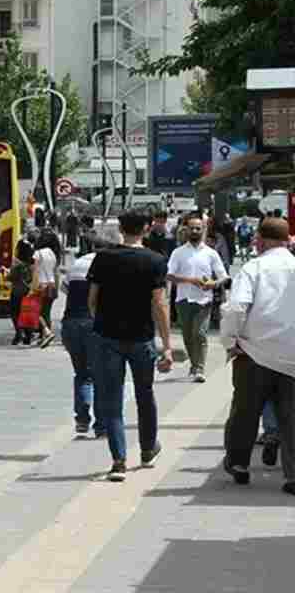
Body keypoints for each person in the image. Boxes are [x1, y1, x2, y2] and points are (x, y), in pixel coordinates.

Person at [87, 208, 173, 482]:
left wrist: (100, 322)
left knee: (111, 400)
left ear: (120, 229)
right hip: (142, 337)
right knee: (144, 394)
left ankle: (118, 461)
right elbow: (159, 303)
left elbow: (92, 299)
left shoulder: (103, 258)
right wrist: (167, 344)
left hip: (107, 337)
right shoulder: (156, 260)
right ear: (147, 228)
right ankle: (148, 450)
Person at [219, 217, 295, 494]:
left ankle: (238, 463)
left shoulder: (254, 267)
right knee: (292, 417)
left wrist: (230, 341)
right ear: (288, 239)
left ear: (260, 240)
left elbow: (237, 307)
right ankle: (292, 476)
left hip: (255, 354)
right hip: (292, 357)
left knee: (244, 412)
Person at [61, 227, 117, 438]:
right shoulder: (110, 264)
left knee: (83, 374)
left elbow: (65, 289)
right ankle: (101, 425)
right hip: (95, 325)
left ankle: (82, 419)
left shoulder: (78, 262)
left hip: (71, 323)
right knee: (101, 375)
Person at [166, 212, 229, 382]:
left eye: (198, 228)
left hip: (204, 301)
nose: (195, 231)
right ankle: (194, 366)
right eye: (192, 228)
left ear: (204, 230)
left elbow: (224, 276)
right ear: (186, 230)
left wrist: (213, 284)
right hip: (183, 300)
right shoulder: (178, 253)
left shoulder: (211, 253)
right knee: (187, 335)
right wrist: (190, 280)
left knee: (199, 333)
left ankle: (199, 369)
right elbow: (169, 275)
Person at [33, 230, 61, 347]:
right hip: (52, 285)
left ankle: (46, 333)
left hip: (41, 285)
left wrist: (32, 287)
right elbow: (56, 272)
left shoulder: (38, 253)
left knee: (35, 311)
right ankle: (44, 336)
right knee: (46, 312)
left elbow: (35, 271)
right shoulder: (54, 255)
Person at [9, 240, 36, 346]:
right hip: (29, 292)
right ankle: (28, 335)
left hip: (17, 292)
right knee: (27, 314)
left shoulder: (17, 264)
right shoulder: (33, 262)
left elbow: (12, 277)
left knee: (15, 313)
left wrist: (7, 273)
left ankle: (19, 334)